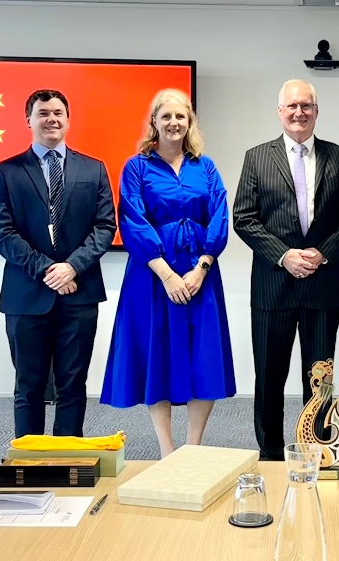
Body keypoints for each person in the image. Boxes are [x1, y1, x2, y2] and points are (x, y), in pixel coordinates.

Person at [232, 79, 339, 461]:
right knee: (269, 377)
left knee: (320, 378)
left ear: (316, 112)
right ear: (280, 111)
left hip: (322, 286)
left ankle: (317, 450)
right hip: (272, 287)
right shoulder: (257, 157)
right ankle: (271, 453)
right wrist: (284, 255)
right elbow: (244, 217)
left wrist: (322, 254)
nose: (299, 112)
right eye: (292, 106)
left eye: (306, 105)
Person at [100, 89, 235, 456]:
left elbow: (219, 216)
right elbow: (132, 219)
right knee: (156, 354)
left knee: (203, 356)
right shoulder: (137, 167)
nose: (174, 123)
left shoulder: (205, 166)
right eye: (167, 117)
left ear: (189, 122)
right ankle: (166, 450)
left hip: (200, 275)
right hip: (152, 276)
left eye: (181, 117)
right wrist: (167, 275)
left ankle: (193, 449)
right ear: (154, 123)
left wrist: (201, 269)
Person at [0, 89, 116, 438]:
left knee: (73, 385)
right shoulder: (5, 172)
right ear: (28, 120)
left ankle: (66, 461)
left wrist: (72, 267)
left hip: (80, 293)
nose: (51, 119)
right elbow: (1, 232)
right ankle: (28, 463)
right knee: (28, 386)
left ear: (68, 120)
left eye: (58, 113)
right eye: (43, 113)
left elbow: (105, 226)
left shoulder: (94, 169)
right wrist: (48, 269)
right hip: (26, 296)